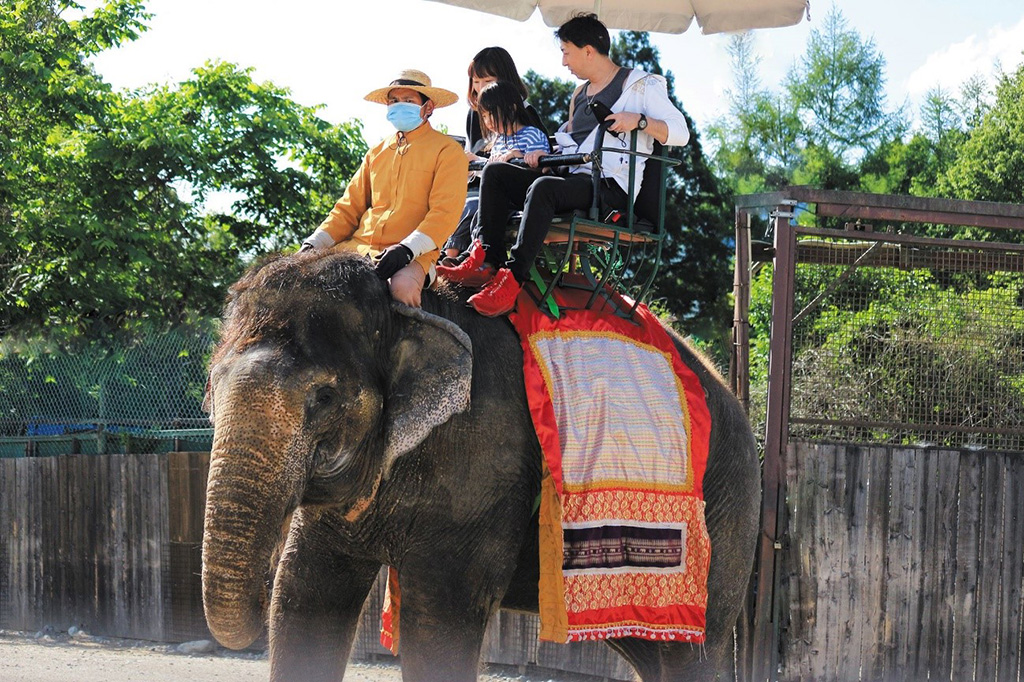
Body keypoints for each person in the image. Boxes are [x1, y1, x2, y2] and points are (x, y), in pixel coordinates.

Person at [447, 14, 690, 317]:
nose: (563, 62)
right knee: (496, 173)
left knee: (544, 188)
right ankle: (487, 261)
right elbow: (571, 141)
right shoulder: (579, 95)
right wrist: (539, 153)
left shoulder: (641, 85)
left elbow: (680, 132)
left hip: (608, 187)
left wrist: (639, 121)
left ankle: (512, 280)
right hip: (572, 176)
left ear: (588, 51)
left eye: (566, 52)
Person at [300, 69, 468, 308]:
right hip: (357, 249)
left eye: (408, 100)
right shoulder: (376, 153)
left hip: (413, 256)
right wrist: (313, 243)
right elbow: (347, 209)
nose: (399, 105)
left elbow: (444, 215)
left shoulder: (447, 151)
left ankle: (416, 333)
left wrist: (406, 249)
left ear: (428, 107)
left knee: (402, 289)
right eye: (394, 100)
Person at [437, 81, 550, 286]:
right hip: (502, 196)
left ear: (512, 109)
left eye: (492, 114)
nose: (488, 121)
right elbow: (492, 171)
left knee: (484, 200)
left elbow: (541, 168)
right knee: (477, 212)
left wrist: (518, 156)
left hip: (525, 193)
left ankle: (483, 259)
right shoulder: (498, 141)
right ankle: (471, 255)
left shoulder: (532, 134)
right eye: (485, 116)